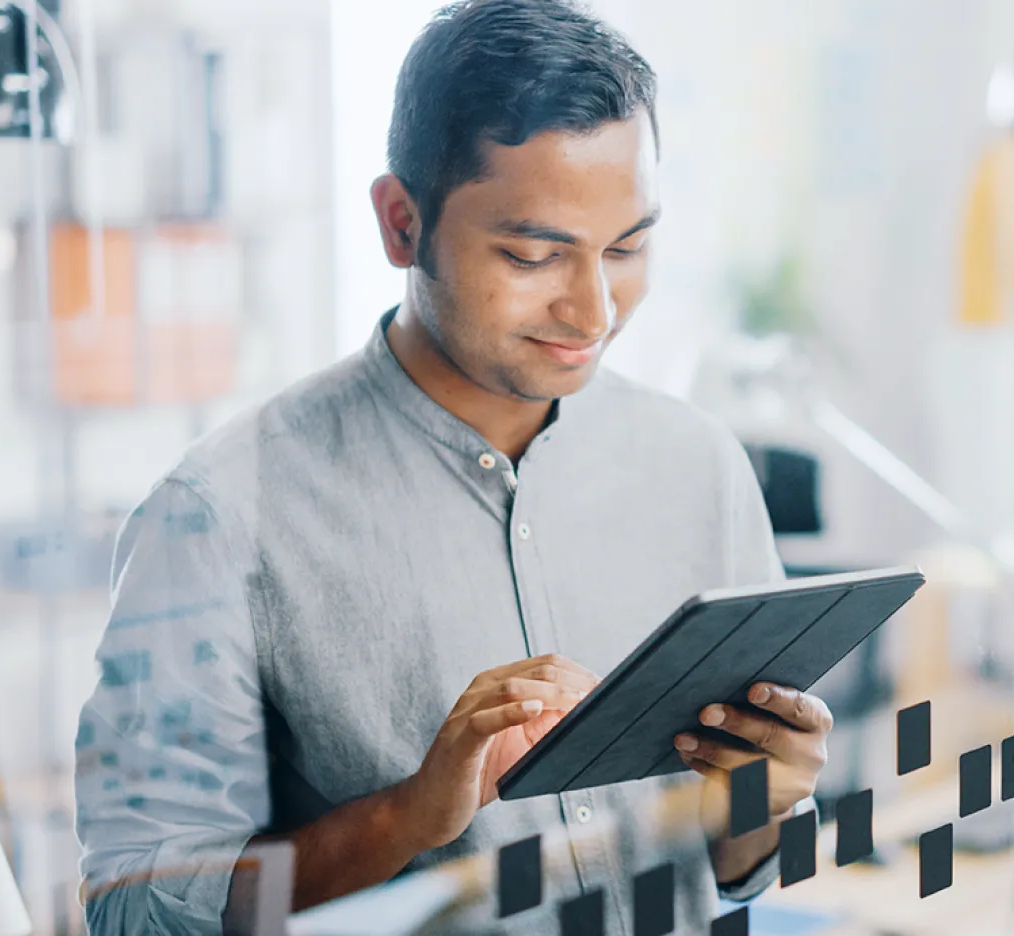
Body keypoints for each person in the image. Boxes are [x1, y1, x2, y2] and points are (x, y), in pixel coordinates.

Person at [73, 1, 831, 932]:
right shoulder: (215, 517)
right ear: (401, 224)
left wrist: (765, 804)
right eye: (532, 254)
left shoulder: (699, 465)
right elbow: (133, 913)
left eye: (628, 247)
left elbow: (749, 871)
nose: (594, 311)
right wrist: (404, 818)